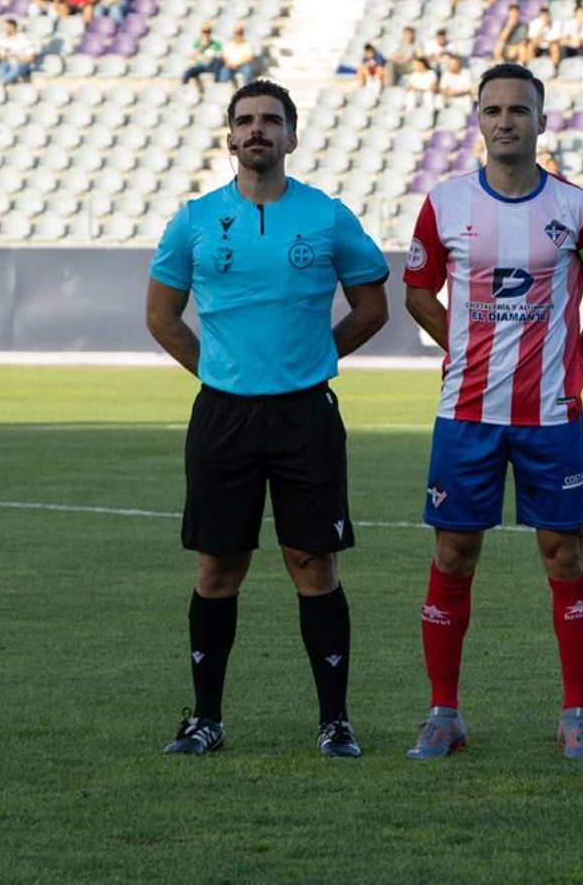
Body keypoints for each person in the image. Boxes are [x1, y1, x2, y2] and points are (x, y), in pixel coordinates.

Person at [146, 79, 391, 758]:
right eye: (246, 120)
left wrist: (313, 357)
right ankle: (205, 719)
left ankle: (335, 722)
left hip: (305, 414)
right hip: (223, 416)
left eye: (271, 120)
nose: (258, 129)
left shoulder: (327, 216)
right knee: (217, 566)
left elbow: (373, 307)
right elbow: (161, 316)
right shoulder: (194, 220)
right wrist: (218, 371)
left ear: (291, 136)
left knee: (313, 564)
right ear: (230, 136)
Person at [402, 64, 583, 761]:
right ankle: (443, 713)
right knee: (453, 554)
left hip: (551, 418)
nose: (505, 120)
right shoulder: (444, 203)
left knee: (565, 556)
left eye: (519, 110)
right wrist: (462, 348)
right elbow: (416, 290)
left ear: (541, 120)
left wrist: (570, 357)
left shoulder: (578, 208)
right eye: (493, 109)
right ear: (479, 119)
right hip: (465, 415)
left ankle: (576, 714)